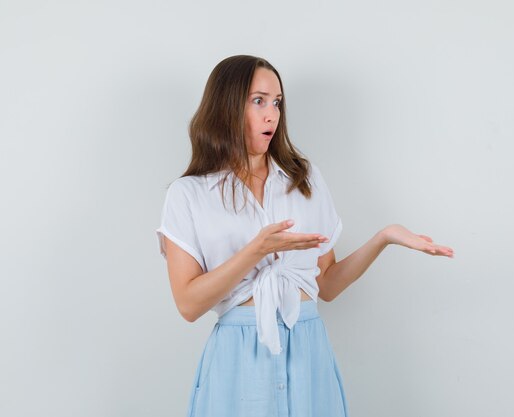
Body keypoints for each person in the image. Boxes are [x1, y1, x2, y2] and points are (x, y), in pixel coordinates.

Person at [156, 55, 454, 417]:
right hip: (238, 358)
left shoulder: (304, 179)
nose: (272, 114)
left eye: (277, 102)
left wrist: (384, 237)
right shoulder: (189, 194)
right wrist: (257, 250)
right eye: (258, 101)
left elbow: (326, 284)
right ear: (226, 106)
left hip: (308, 352)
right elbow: (188, 304)